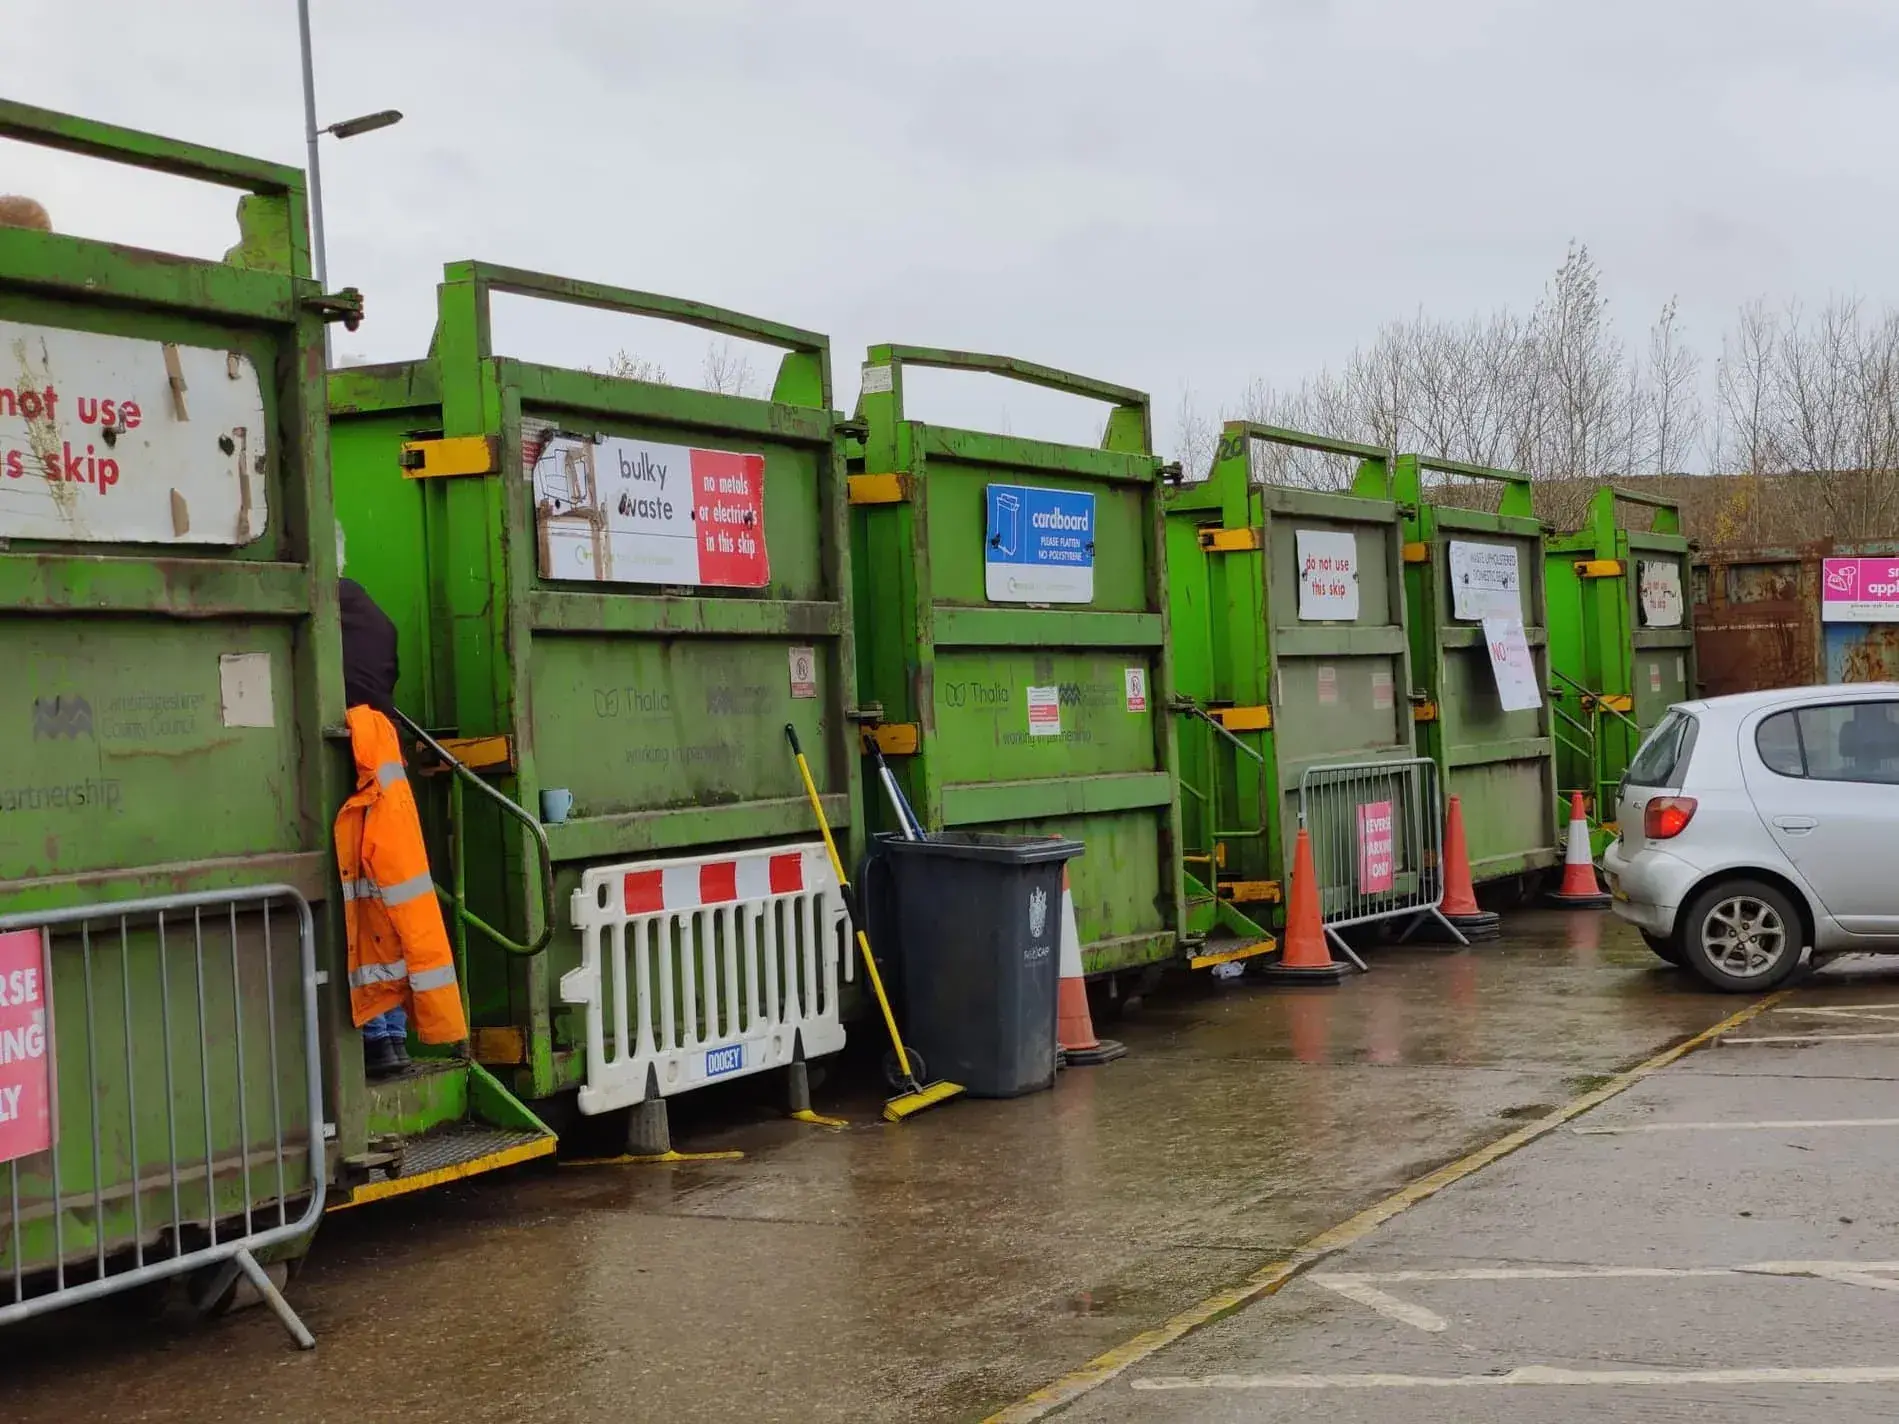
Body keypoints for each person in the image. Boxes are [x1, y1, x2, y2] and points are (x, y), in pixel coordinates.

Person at [336, 577, 467, 1076]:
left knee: (361, 916)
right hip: (385, 777)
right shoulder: (375, 618)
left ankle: (377, 1036)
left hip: (350, 782)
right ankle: (390, 1037)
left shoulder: (323, 614)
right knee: (387, 910)